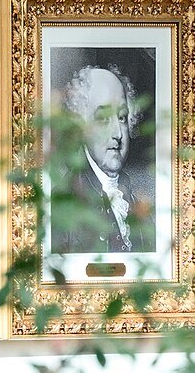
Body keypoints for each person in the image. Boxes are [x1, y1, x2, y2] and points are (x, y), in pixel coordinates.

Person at [51, 64, 153, 255]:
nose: (117, 134)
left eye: (122, 117)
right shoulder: (64, 200)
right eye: (103, 118)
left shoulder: (137, 198)